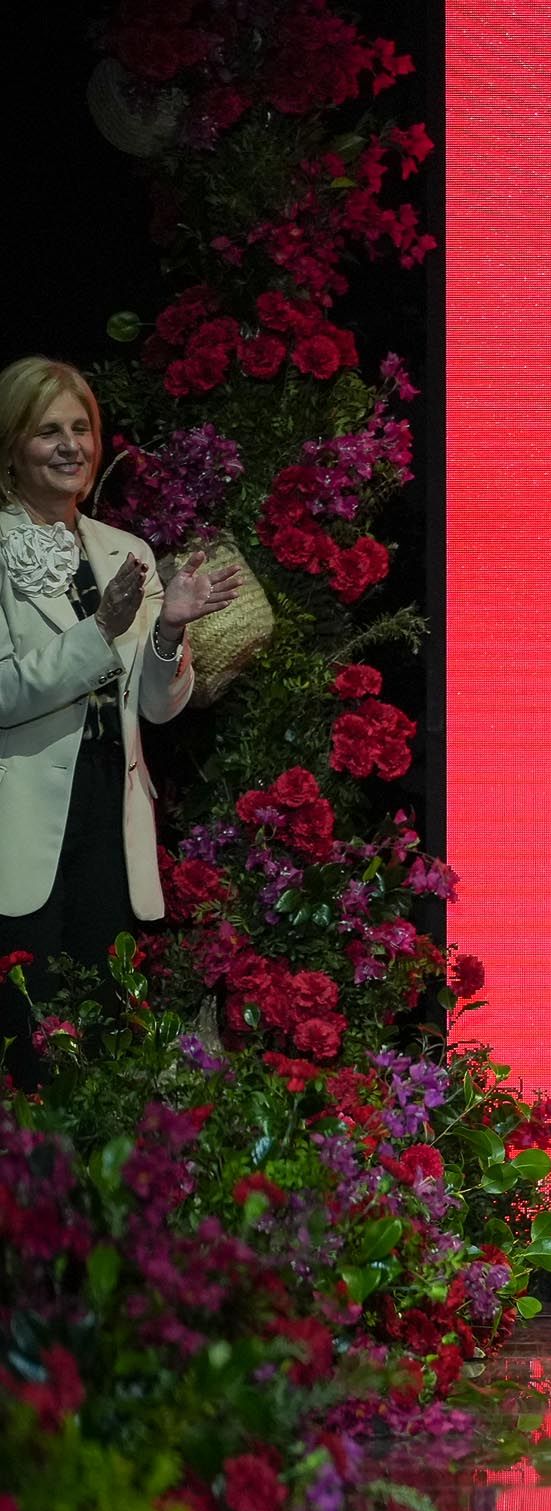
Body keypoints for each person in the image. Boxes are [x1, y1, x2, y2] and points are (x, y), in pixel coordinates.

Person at [1, 356, 237, 1084]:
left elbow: (157, 707)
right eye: (49, 431)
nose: (71, 445)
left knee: (103, 1026)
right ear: (12, 445)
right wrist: (98, 632)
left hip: (112, 808)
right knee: (27, 1033)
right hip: (23, 818)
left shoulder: (124, 551)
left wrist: (167, 633)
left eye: (83, 429)